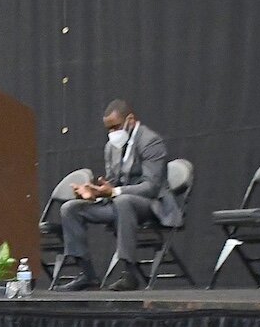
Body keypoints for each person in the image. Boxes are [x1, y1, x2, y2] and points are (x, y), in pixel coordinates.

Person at [58, 99, 181, 292]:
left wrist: (115, 192)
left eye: (116, 127)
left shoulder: (150, 141)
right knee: (70, 208)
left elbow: (151, 187)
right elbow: (113, 182)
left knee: (124, 201)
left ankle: (129, 273)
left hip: (151, 204)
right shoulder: (112, 147)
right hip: (119, 202)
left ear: (130, 120)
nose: (113, 133)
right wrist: (95, 193)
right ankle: (87, 274)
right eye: (109, 129)